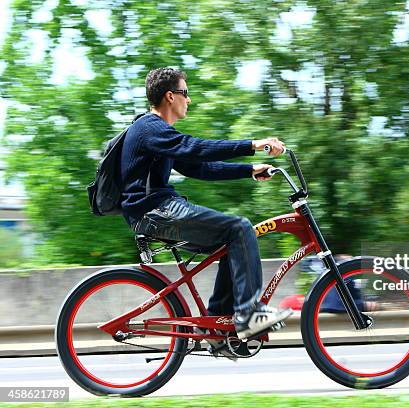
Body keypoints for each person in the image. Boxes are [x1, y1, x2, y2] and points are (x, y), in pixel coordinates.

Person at [120, 67, 292, 355]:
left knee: (232, 238)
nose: (190, 100)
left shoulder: (161, 134)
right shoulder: (149, 128)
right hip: (153, 211)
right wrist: (252, 145)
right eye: (186, 94)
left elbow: (199, 167)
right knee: (239, 227)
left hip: (158, 209)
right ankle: (248, 313)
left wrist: (249, 170)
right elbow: (195, 147)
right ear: (170, 96)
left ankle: (213, 329)